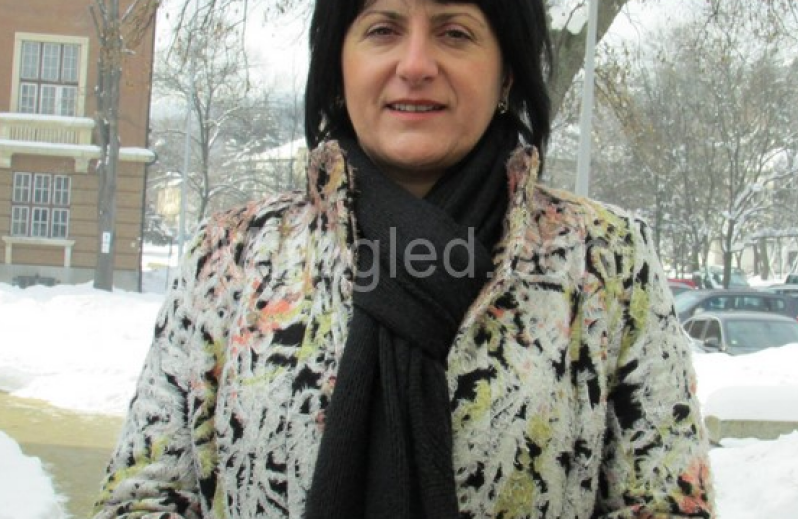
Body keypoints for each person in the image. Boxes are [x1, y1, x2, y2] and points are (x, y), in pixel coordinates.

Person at [92, 0, 714, 517]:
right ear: (338, 65)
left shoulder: (607, 261)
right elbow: (143, 497)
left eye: (455, 32)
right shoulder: (230, 256)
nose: (415, 65)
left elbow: (664, 504)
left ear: (506, 73)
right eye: (383, 29)